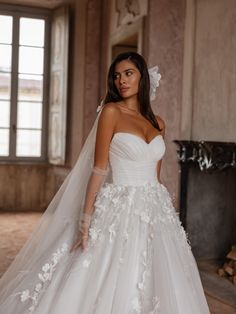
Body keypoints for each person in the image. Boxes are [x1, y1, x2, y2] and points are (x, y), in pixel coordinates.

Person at [0, 52, 210, 314]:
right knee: (108, 274)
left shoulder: (159, 123)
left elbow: (156, 177)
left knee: (156, 277)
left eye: (128, 73)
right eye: (117, 75)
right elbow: (99, 169)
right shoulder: (111, 112)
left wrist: (167, 214)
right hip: (119, 205)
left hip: (156, 210)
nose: (121, 80)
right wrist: (85, 223)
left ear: (142, 77)